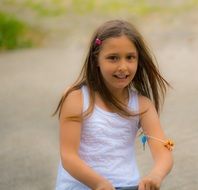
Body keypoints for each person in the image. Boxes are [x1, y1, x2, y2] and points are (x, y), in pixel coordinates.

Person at [53, 19, 173, 190]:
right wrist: (99, 184)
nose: (123, 66)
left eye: (130, 58)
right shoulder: (77, 98)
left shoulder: (142, 105)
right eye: (113, 58)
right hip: (80, 186)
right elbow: (68, 156)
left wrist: (156, 175)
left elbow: (164, 152)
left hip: (127, 185)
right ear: (96, 60)